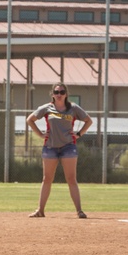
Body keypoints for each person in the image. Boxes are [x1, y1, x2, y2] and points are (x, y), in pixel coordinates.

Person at [26, 83, 93, 219]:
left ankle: (79, 211)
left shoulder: (73, 108)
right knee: (47, 179)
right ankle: (40, 210)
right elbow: (30, 119)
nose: (59, 95)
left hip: (68, 146)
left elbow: (88, 120)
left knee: (71, 178)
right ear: (52, 94)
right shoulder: (47, 108)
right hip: (50, 147)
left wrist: (79, 134)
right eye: (56, 92)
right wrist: (40, 134)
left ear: (66, 94)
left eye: (62, 92)